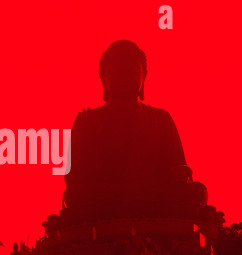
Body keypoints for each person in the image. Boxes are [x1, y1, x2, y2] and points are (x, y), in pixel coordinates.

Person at [63, 40, 187, 221]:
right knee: (74, 195)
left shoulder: (161, 119)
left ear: (144, 76)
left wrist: (178, 177)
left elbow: (178, 171)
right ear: (102, 77)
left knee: (196, 192)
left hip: (152, 195)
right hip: (103, 198)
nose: (126, 79)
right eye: (117, 73)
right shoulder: (86, 121)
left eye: (133, 72)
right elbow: (73, 180)